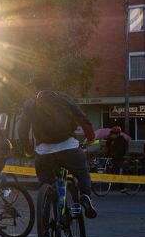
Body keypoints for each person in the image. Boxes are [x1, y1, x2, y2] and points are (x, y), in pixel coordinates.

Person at [17, 84, 98, 219]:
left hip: (44, 152)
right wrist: (90, 137)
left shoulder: (30, 104)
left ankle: (45, 220)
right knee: (82, 172)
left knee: (45, 184)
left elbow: (22, 131)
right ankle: (85, 196)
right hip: (69, 148)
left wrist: (30, 151)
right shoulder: (64, 99)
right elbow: (82, 119)